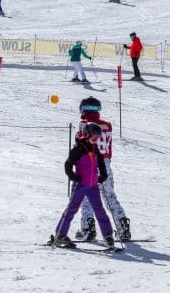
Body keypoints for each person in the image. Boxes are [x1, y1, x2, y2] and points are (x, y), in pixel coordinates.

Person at [48, 122, 116, 250]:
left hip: (93, 186)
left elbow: (101, 163)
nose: (96, 140)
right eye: (94, 137)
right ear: (86, 135)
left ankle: (108, 236)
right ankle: (60, 235)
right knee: (72, 209)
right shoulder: (78, 149)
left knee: (100, 210)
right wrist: (74, 177)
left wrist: (103, 175)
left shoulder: (95, 149)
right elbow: (68, 165)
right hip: (80, 185)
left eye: (98, 138)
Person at [75, 98, 131, 242]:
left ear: (83, 109)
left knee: (86, 196)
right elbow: (109, 147)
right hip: (104, 163)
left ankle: (88, 228)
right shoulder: (107, 126)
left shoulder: (84, 125)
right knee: (109, 196)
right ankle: (123, 225)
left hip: (89, 163)